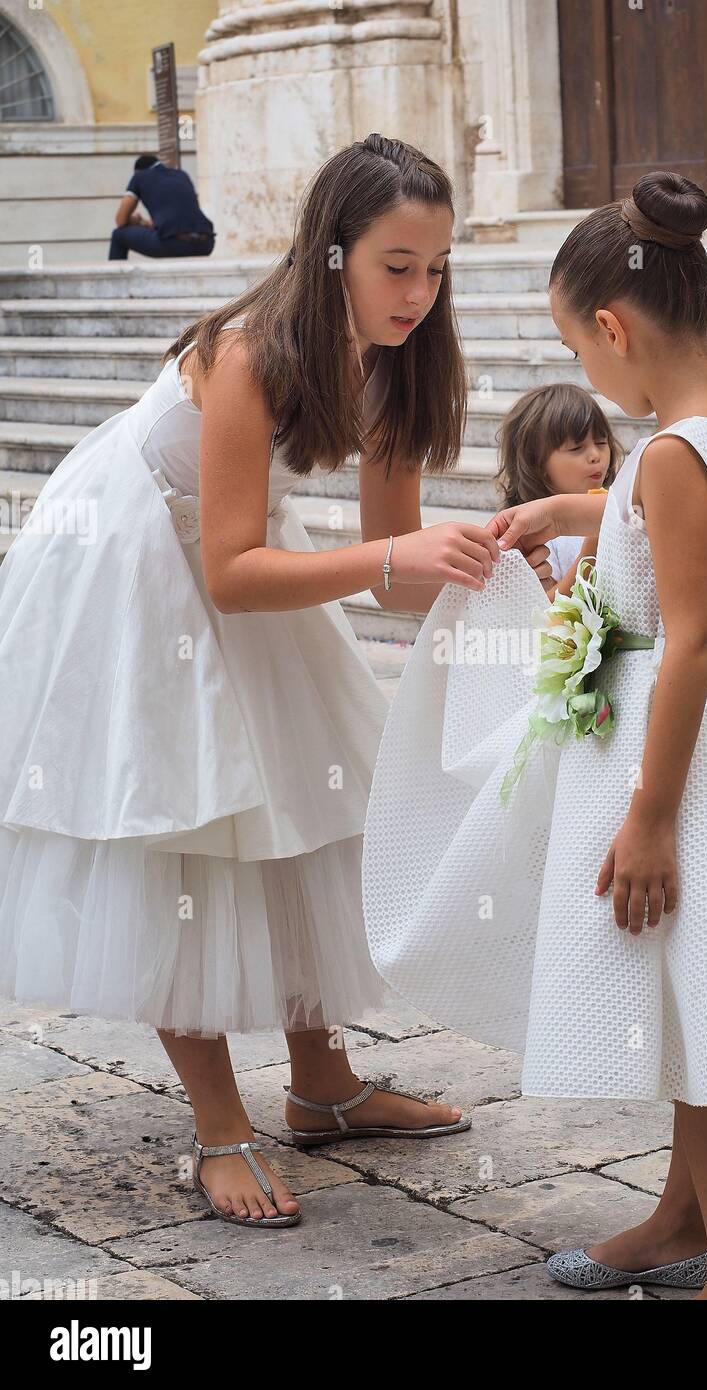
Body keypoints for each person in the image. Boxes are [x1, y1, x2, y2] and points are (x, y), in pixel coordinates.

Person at [361, 170, 707, 1298]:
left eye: (580, 350)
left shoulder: (666, 455)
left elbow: (690, 642)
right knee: (680, 996)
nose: (586, 373)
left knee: (701, 1017)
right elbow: (668, 531)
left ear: (612, 328)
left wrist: (651, 816)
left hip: (682, 770)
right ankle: (678, 1218)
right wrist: (565, 511)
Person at [0, 133, 499, 1230]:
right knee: (192, 826)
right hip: (137, 558)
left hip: (249, 552)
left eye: (436, 267)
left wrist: (506, 565)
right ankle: (219, 1124)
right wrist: (390, 563)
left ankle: (323, 1084)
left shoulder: (400, 360)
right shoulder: (248, 354)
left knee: (313, 799)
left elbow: (397, 571)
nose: (418, 292)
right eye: (396, 265)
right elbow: (228, 574)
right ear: (333, 257)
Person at [494, 382, 621, 600]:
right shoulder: (534, 535)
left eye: (601, 442)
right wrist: (589, 554)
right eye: (576, 448)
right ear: (537, 463)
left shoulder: (618, 506)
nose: (595, 455)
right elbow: (543, 611)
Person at [109, 153, 216, 260]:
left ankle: (112, 277)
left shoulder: (139, 176)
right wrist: (146, 223)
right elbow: (183, 215)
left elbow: (120, 220)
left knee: (118, 235)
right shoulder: (182, 175)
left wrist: (136, 220)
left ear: (137, 171)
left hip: (173, 244)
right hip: (206, 244)